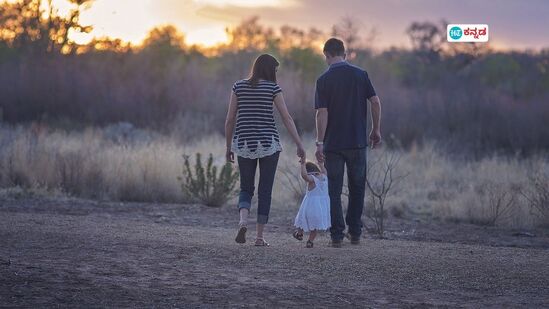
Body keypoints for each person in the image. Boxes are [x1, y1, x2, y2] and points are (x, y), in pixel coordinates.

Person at [225, 54, 306, 247]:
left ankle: (243, 221)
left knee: (246, 187)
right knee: (265, 190)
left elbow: (229, 120)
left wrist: (228, 147)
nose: (276, 74)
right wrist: (299, 143)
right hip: (268, 144)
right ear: (269, 70)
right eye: (275, 70)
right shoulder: (273, 88)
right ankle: (259, 237)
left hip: (243, 143)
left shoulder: (238, 86)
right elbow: (286, 118)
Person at [314, 38, 382, 248]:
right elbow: (375, 102)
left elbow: (321, 113)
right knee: (357, 188)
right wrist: (375, 129)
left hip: (333, 145)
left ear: (326, 54)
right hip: (357, 142)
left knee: (333, 190)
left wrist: (319, 142)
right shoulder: (360, 75)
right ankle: (355, 233)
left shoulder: (323, 80)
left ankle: (336, 236)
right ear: (344, 53)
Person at [293, 161, 331, 248]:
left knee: (302, 219)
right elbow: (324, 170)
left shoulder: (312, 180)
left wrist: (302, 165)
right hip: (321, 208)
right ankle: (310, 241)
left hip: (310, 206)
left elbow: (304, 176)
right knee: (314, 226)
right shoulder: (325, 176)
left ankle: (299, 234)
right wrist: (321, 163)